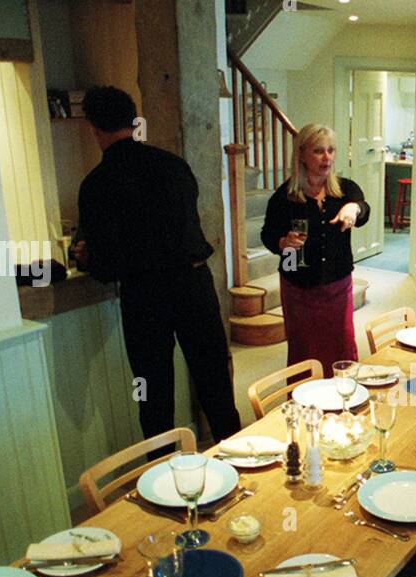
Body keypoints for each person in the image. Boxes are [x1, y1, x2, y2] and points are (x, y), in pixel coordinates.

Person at [75, 86, 241, 443]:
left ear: (94, 129)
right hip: (194, 281)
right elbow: (187, 224)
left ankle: (161, 478)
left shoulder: (96, 185)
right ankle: (239, 458)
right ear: (134, 122)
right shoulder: (174, 166)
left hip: (144, 295)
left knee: (151, 391)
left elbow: (108, 266)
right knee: (214, 380)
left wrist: (88, 258)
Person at [260, 124, 371, 375]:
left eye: (331, 150)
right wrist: (282, 243)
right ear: (302, 155)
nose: (327, 157)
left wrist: (353, 209)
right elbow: (267, 235)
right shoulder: (285, 195)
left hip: (337, 279)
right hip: (297, 278)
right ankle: (306, 403)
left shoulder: (345, 189)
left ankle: (343, 397)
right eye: (319, 151)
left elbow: (363, 209)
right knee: (304, 347)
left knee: (341, 342)